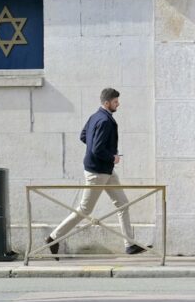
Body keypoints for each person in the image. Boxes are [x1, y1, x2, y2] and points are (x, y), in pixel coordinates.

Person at [45, 88, 146, 257]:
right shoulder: (105, 121)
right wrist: (112, 157)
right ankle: (53, 237)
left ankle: (129, 245)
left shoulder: (94, 117)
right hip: (98, 172)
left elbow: (84, 136)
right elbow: (97, 149)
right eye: (115, 102)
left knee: (123, 204)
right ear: (107, 103)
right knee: (85, 209)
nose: (118, 104)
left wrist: (101, 153)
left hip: (105, 171)